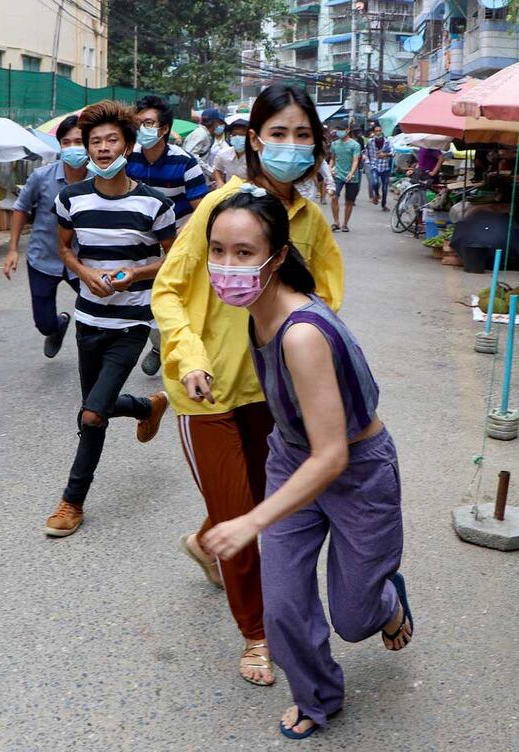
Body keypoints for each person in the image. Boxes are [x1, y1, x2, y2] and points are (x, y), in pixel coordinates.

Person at [152, 83, 344, 687]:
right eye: (278, 133)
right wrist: (188, 357)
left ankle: (207, 541)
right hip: (204, 391)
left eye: (302, 134)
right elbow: (170, 288)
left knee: (265, 513)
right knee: (241, 512)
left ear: (316, 145)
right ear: (254, 139)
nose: (290, 146)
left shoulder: (310, 222)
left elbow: (326, 302)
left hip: (273, 395)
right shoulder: (221, 205)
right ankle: (256, 635)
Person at [201, 190, 412, 740]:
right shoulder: (256, 312)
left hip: (356, 473)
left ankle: (387, 602)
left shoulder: (301, 333)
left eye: (245, 252)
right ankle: (318, 698)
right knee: (284, 607)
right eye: (218, 249)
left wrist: (252, 520)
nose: (228, 264)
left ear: (276, 257)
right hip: (292, 458)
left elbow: (333, 454)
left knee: (354, 617)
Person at [45, 100, 177, 537]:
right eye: (94, 141)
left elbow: (173, 259)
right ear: (86, 148)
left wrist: (133, 274)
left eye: (111, 140)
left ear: (127, 145)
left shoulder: (153, 204)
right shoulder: (71, 199)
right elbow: (65, 249)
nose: (102, 149)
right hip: (88, 320)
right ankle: (147, 405)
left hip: (132, 323)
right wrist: (84, 272)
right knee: (94, 408)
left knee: (90, 416)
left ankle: (71, 501)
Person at [127, 95, 208, 376]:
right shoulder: (127, 158)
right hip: (142, 239)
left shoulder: (185, 163)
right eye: (138, 124)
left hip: (179, 237)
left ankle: (184, 353)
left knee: (175, 296)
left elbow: (202, 209)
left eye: (148, 123)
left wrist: (179, 240)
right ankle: (158, 343)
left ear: (163, 129)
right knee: (146, 299)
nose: (142, 129)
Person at [3, 115, 88, 358]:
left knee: (97, 310)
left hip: (82, 262)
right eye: (66, 142)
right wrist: (12, 249)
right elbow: (20, 208)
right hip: (43, 259)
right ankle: (57, 326)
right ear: (59, 145)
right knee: (44, 323)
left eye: (79, 141)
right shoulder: (42, 177)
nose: (73, 147)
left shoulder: (99, 179)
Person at [329, 121, 361, 232]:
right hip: (338, 175)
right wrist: (329, 170)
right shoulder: (334, 144)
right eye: (337, 130)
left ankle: (345, 224)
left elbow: (355, 160)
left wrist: (351, 173)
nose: (339, 132)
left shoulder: (355, 145)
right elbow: (332, 158)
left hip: (352, 177)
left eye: (341, 129)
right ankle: (336, 222)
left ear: (347, 130)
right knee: (334, 196)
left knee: (349, 201)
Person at [183, 107, 226, 182]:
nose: (221, 125)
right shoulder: (201, 134)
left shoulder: (206, 134)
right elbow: (191, 155)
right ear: (215, 122)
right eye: (220, 122)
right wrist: (210, 172)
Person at [213, 118, 249, 187]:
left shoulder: (257, 155)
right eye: (234, 134)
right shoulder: (223, 154)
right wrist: (220, 183)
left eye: (242, 135)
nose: (238, 137)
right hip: (230, 192)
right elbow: (217, 170)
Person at [365, 124, 393, 210]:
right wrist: (368, 162)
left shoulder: (387, 142)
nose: (378, 132)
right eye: (376, 131)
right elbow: (366, 153)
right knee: (375, 182)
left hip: (385, 166)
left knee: (385, 188)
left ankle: (383, 205)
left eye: (379, 131)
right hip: (374, 165)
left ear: (382, 131)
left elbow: (393, 152)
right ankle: (376, 194)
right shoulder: (370, 142)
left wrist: (385, 154)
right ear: (373, 132)